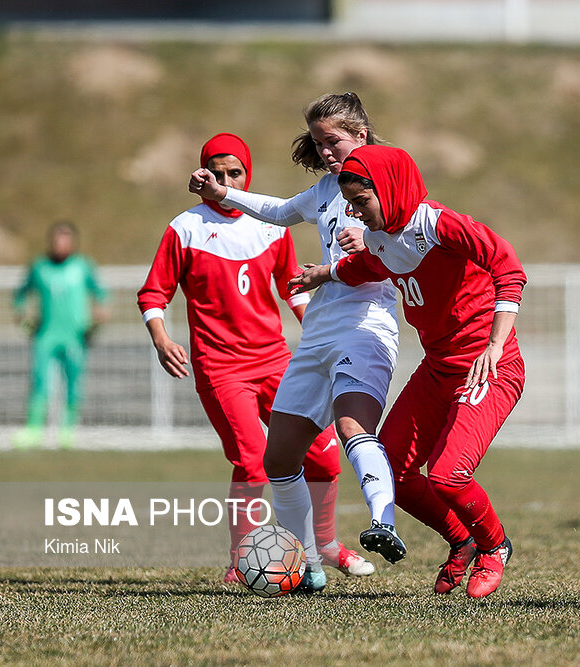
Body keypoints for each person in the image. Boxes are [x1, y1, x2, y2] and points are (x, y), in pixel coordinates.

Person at [288, 144, 527, 599]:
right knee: (394, 469)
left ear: (390, 189)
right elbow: (368, 266)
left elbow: (507, 265)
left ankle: (494, 547)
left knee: (447, 475)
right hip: (439, 369)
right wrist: (323, 273)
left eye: (361, 203)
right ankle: (461, 540)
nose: (356, 215)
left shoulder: (436, 222)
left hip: (488, 367)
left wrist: (494, 346)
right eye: (351, 206)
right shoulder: (379, 236)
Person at [139, 132, 374, 589]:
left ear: (247, 175)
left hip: (276, 362)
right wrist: (161, 336)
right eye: (218, 172)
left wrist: (318, 328)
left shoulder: (270, 224)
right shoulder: (184, 228)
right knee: (251, 461)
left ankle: (324, 546)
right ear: (203, 172)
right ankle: (241, 560)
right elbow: (154, 292)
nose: (226, 180)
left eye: (235, 173)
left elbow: (293, 284)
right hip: (222, 369)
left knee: (325, 458)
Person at [187, 94, 407, 575]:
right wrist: (222, 195)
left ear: (361, 135)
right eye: (318, 143)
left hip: (365, 326)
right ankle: (306, 565)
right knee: (279, 457)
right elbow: (280, 210)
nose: (326, 151)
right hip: (318, 333)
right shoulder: (328, 188)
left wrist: (366, 243)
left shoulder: (390, 182)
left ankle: (383, 522)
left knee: (352, 428)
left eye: (334, 141)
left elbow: (407, 242)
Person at [13, 222, 109, 449]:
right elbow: (20, 295)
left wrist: (99, 315)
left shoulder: (83, 267)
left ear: (73, 242)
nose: (60, 244)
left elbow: (101, 294)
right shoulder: (39, 267)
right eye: (57, 240)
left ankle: (67, 432)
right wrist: (22, 315)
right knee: (40, 382)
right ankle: (34, 431)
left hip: (75, 336)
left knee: (74, 383)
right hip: (45, 335)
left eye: (65, 239)